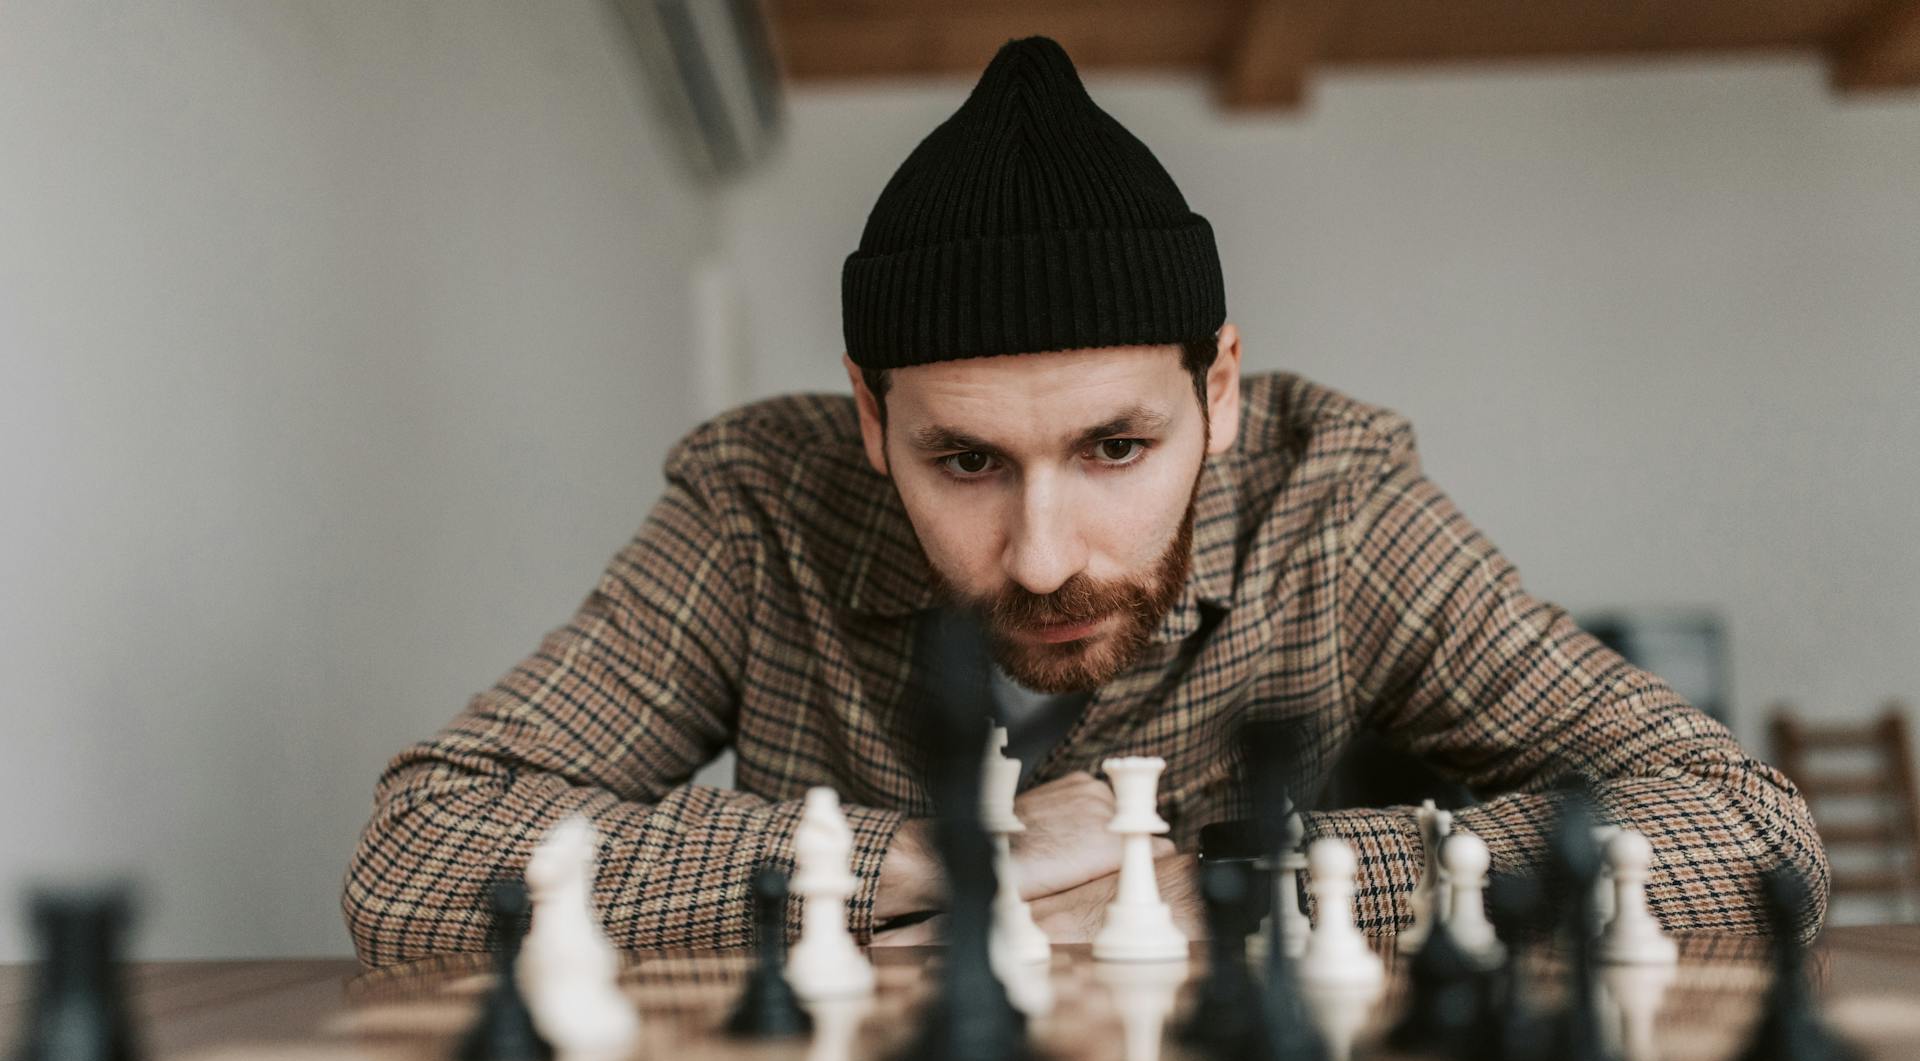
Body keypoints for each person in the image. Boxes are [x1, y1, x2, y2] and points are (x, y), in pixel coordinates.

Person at [344, 37, 1824, 967]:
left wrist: (1253, 883)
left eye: (1115, 449)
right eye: (966, 462)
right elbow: (420, 853)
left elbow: (1750, 833)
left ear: (1220, 392)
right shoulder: (759, 505)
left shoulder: (1341, 500)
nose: (1043, 558)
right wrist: (924, 858)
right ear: (870, 416)